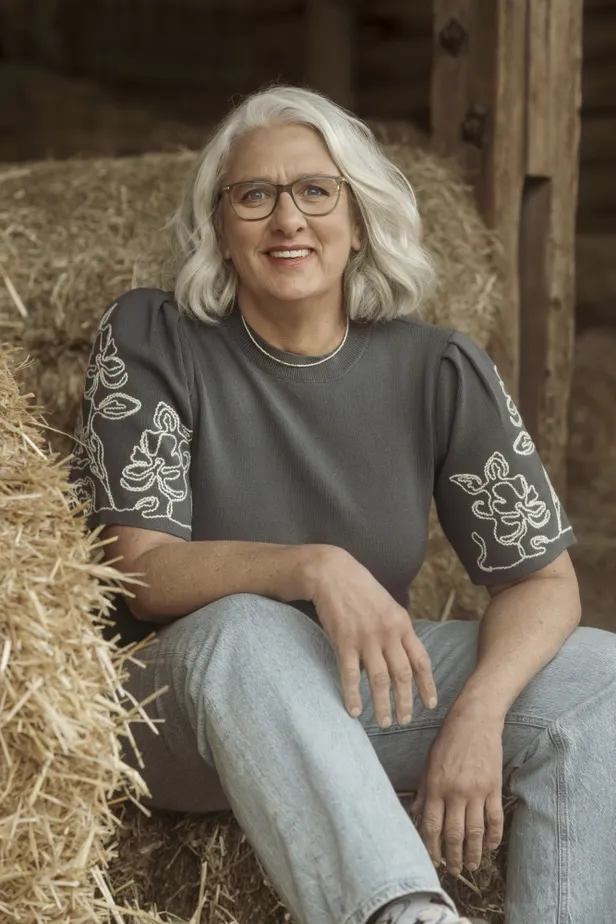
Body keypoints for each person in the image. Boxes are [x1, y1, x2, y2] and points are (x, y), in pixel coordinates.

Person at [69, 85, 616, 924]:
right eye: (255, 196)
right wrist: (311, 566)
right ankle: (406, 915)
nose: (288, 219)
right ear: (219, 225)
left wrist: (478, 713)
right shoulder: (153, 337)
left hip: (355, 698)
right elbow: (138, 575)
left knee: (597, 678)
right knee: (245, 627)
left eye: (316, 191)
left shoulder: (435, 368)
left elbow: (543, 581)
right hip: (173, 712)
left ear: (357, 219)